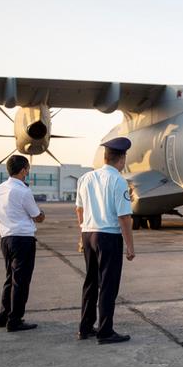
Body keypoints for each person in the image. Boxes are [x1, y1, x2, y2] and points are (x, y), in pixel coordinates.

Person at [75, 137, 136, 344]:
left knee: (90, 282)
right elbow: (124, 217)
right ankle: (105, 331)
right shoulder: (118, 181)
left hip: (88, 234)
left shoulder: (85, 178)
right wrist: (130, 246)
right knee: (108, 285)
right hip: (108, 237)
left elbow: (79, 209)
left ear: (105, 157)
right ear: (122, 158)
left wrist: (81, 234)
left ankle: (85, 327)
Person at [0, 155, 45, 332]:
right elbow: (37, 215)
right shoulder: (23, 191)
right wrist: (41, 214)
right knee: (21, 281)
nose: (28, 172)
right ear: (23, 170)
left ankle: (3, 314)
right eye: (27, 169)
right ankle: (15, 319)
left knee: (10, 278)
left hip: (6, 238)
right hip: (22, 239)